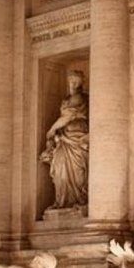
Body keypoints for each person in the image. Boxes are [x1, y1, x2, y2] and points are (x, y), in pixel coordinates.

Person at [40, 70, 89, 210]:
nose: (73, 84)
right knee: (60, 167)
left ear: (81, 83)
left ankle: (78, 199)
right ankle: (63, 200)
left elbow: (67, 117)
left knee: (78, 171)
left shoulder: (79, 98)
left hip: (76, 134)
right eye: (71, 81)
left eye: (76, 81)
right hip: (65, 137)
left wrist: (51, 130)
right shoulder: (66, 99)